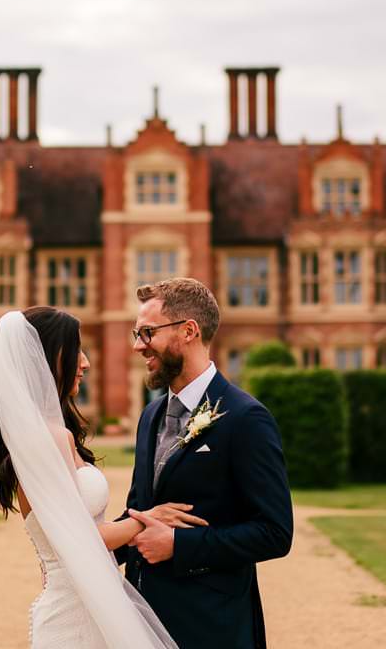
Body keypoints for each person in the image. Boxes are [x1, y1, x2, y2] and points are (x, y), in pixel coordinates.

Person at [0, 306, 188, 649]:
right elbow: (83, 538)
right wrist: (149, 519)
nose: (85, 363)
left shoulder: (44, 434)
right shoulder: (52, 438)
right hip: (75, 614)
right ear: (50, 357)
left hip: (86, 600)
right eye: (76, 350)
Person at [117, 277, 294, 649]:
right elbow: (139, 511)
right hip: (142, 621)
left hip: (212, 626)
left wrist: (179, 545)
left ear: (188, 331)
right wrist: (79, 554)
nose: (137, 345)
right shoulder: (150, 416)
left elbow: (275, 532)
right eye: (137, 333)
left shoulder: (246, 418)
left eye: (147, 333)